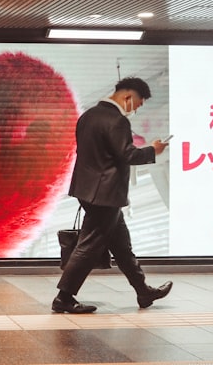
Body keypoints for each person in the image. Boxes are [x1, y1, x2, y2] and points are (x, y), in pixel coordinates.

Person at [53, 76, 173, 314]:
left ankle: (143, 291)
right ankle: (63, 298)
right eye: (138, 104)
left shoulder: (88, 116)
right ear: (128, 97)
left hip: (88, 190)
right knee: (88, 246)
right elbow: (127, 155)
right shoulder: (117, 121)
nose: (136, 110)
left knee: (121, 244)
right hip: (105, 194)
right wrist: (154, 150)